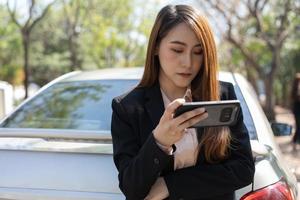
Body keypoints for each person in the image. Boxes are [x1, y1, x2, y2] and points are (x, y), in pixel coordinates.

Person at [111, 4, 255, 200]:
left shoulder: (222, 94)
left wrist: (170, 185)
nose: (188, 62)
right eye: (177, 50)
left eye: (198, 52)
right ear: (155, 47)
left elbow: (244, 168)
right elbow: (131, 188)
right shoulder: (128, 108)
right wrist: (160, 141)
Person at [291, 73, 300, 151]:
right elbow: (292, 97)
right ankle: (294, 142)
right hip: (297, 108)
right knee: (298, 125)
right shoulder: (294, 89)